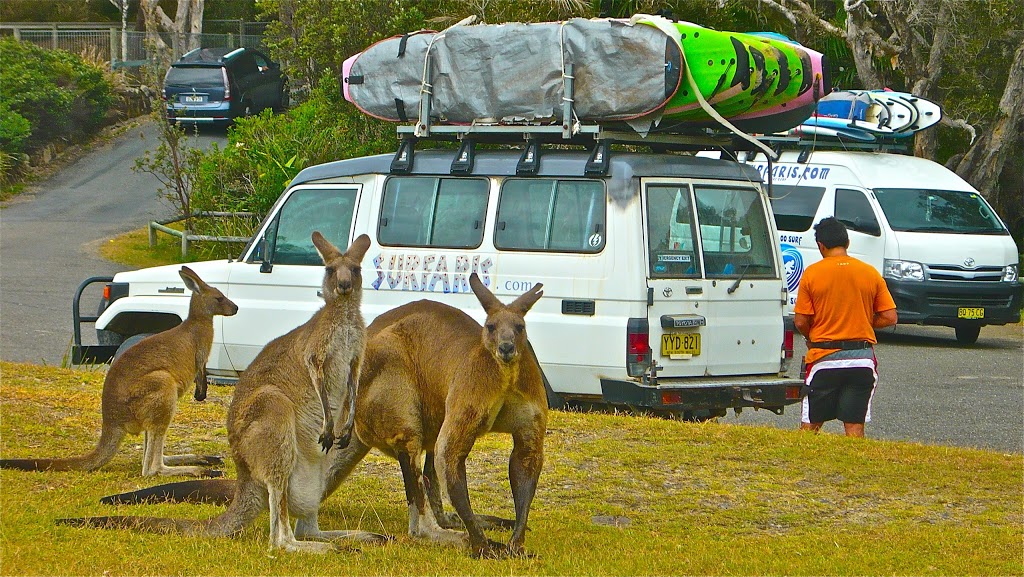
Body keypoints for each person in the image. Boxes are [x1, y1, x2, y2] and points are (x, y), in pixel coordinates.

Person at [793, 217, 897, 437]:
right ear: (847, 243)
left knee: (810, 426)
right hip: (861, 360)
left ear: (821, 246)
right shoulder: (870, 273)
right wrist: (864, 322)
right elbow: (889, 317)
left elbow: (801, 321)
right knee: (854, 426)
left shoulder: (812, 273)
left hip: (824, 358)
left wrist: (811, 336)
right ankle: (857, 465)